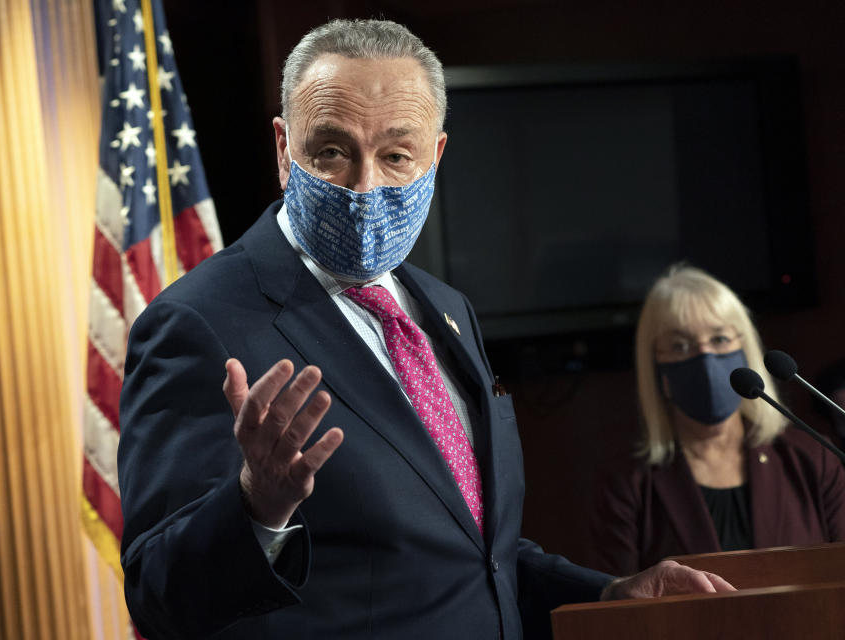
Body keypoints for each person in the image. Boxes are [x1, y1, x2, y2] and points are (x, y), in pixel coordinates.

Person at [118, 20, 732, 640]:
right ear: (284, 149)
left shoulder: (445, 308)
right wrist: (256, 508)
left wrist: (606, 594)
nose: (364, 186)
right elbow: (156, 596)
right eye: (331, 151)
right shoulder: (196, 323)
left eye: (395, 155)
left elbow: (474, 554)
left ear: (435, 155)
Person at [589, 264, 845, 577]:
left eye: (720, 339)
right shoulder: (628, 483)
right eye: (680, 346)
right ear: (658, 371)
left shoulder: (813, 459)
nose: (705, 358)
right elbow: (617, 607)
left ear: (745, 351)